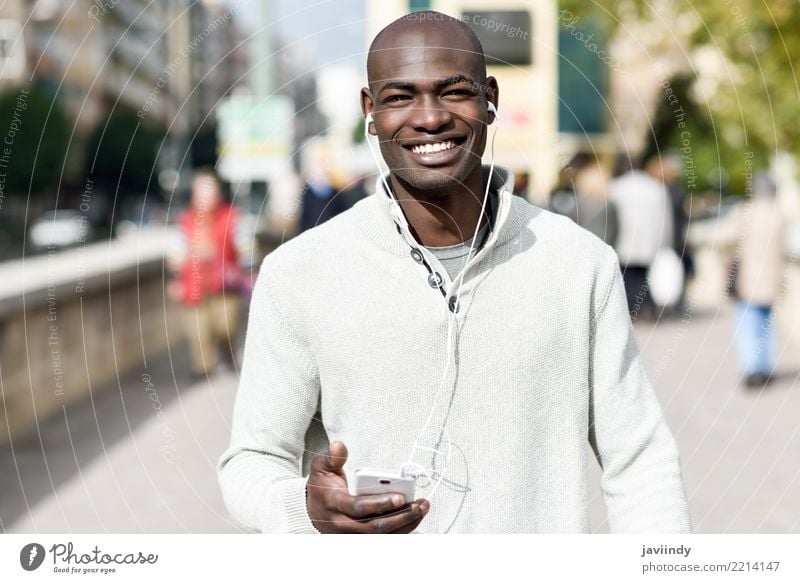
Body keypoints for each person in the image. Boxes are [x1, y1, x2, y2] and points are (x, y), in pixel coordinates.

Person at [218, 11, 691, 534]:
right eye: (400, 97)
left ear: (489, 98)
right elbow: (251, 460)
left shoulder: (580, 265)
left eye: (453, 91)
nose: (430, 118)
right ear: (370, 111)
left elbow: (641, 462)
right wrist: (301, 509)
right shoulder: (297, 274)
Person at [169, 168, 242, 379]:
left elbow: (244, 248)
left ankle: (228, 356)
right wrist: (175, 280)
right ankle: (203, 368)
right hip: (194, 284)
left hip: (224, 284)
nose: (205, 196)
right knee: (197, 331)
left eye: (209, 191)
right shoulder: (185, 221)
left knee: (225, 326)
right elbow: (175, 255)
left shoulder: (232, 216)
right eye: (200, 191)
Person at [724, 173, 785, 388]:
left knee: (748, 325)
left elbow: (726, 237)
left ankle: (752, 370)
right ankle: (765, 368)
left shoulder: (745, 212)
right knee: (767, 325)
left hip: (748, 279)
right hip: (772, 280)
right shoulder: (779, 215)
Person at [610, 155, 674, 320]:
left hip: (624, 240)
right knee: (642, 276)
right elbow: (665, 219)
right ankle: (645, 308)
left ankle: (634, 308)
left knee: (628, 278)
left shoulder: (616, 187)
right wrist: (665, 243)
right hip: (648, 241)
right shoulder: (656, 188)